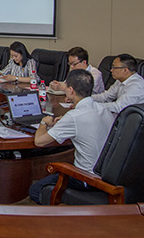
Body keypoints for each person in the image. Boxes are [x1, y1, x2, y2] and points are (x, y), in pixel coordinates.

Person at [29, 69, 115, 204]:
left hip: (87, 178)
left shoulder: (74, 117)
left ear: (71, 90)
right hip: (108, 176)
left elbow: (39, 142)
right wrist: (65, 121)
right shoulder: (104, 109)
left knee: (35, 190)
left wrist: (43, 123)